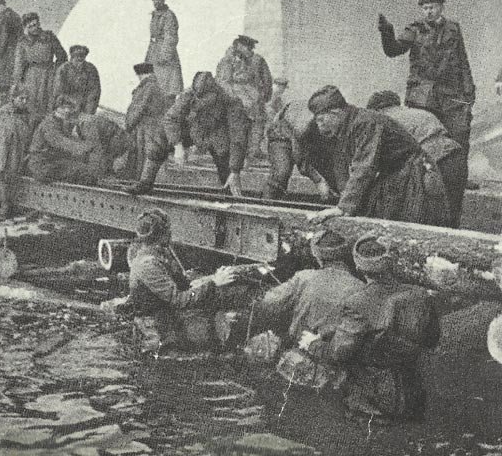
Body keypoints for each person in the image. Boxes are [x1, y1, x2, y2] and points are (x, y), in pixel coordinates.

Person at [322, 235, 440, 424]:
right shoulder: (421, 295)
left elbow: (339, 353)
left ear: (358, 266)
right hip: (413, 394)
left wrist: (314, 344)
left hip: (374, 402)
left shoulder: (357, 302)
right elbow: (432, 339)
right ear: (390, 263)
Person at [306, 85, 449, 226]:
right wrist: (344, 203)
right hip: (394, 173)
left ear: (335, 113)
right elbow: (343, 165)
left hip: (412, 172)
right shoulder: (347, 127)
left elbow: (364, 167)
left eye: (321, 120)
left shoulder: (366, 123)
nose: (320, 127)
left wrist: (343, 207)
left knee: (409, 219)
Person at [255, 230, 363, 388]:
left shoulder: (304, 278)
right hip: (335, 374)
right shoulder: (360, 288)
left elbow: (268, 303)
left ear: (318, 256)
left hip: (296, 362)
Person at [125, 208, 238, 354]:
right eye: (168, 230)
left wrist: (210, 278)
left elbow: (184, 285)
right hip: (157, 333)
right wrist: (213, 283)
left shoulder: (156, 255)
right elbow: (178, 299)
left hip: (165, 320)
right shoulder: (147, 265)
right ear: (163, 235)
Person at [378, 0, 474, 152]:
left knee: (459, 138)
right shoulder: (414, 29)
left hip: (451, 95)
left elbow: (462, 61)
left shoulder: (453, 29)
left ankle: (456, 177)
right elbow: (393, 50)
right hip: (422, 97)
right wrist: (386, 31)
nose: (429, 11)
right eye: (425, 8)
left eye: (432, 7)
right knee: (421, 142)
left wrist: (469, 91)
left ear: (441, 7)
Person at [128, 71, 249, 197]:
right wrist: (177, 145)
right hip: (194, 129)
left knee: (226, 162)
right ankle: (145, 182)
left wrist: (235, 170)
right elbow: (171, 119)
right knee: (160, 136)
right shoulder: (189, 94)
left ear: (215, 93)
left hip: (217, 134)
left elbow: (238, 137)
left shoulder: (231, 101)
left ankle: (230, 188)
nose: (200, 101)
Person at [367, 90, 467, 228]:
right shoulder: (419, 113)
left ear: (376, 109)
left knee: (429, 213)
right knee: (452, 210)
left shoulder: (384, 120)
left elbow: (376, 159)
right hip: (456, 154)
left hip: (433, 159)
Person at [262, 100, 334, 201]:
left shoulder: (335, 123)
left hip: (302, 135)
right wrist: (318, 181)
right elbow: (299, 158)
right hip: (281, 135)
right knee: (282, 171)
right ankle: (267, 203)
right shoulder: (303, 126)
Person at [215, 35, 273, 160]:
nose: (249, 50)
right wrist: (234, 97)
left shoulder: (257, 60)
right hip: (234, 99)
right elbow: (222, 82)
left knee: (258, 122)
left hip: (254, 98)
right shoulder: (227, 60)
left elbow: (267, 81)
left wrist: (263, 96)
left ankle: (253, 150)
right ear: (238, 46)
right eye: (247, 47)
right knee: (236, 125)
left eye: (250, 48)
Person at [0, 85, 33, 218]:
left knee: (13, 175)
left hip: (18, 148)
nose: (24, 102)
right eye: (21, 98)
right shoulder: (3, 111)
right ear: (13, 98)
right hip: (3, 148)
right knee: (2, 174)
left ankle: (10, 205)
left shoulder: (26, 114)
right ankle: (5, 206)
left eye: (26, 99)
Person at [27, 95, 97, 184]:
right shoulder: (49, 124)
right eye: (63, 108)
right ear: (56, 108)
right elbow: (61, 142)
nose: (67, 111)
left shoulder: (60, 123)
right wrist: (83, 147)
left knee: (83, 169)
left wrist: (86, 144)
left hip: (51, 163)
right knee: (82, 171)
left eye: (70, 108)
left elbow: (70, 140)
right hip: (41, 165)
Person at [13, 12, 68, 121]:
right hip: (31, 77)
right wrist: (17, 82)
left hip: (49, 75)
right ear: (26, 28)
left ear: (39, 23)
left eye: (35, 24)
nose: (34, 28)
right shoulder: (22, 42)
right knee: (31, 104)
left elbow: (62, 56)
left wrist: (55, 71)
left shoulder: (49, 37)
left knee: (49, 104)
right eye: (30, 26)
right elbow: (19, 64)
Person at [125, 62, 172, 180]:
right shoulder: (154, 86)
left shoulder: (149, 87)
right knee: (144, 155)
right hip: (149, 126)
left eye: (139, 76)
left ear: (143, 74)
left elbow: (140, 107)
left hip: (146, 127)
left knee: (142, 156)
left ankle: (139, 181)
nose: (139, 78)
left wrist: (130, 124)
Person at [146, 0, 183, 96]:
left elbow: (171, 37)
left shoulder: (169, 16)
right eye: (154, 1)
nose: (157, 3)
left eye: (159, 0)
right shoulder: (155, 15)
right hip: (154, 53)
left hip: (165, 55)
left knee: (167, 86)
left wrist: (165, 56)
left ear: (163, 0)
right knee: (151, 84)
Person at [75, 112, 131, 179]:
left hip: (118, 141)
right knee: (105, 163)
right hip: (119, 139)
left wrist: (92, 173)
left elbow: (96, 149)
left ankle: (102, 177)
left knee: (103, 164)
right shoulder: (86, 120)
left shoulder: (86, 125)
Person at [53, 45, 101, 114]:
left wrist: (89, 111)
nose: (80, 62)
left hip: (84, 105)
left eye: (82, 58)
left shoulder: (91, 69)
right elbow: (58, 91)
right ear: (72, 57)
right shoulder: (64, 69)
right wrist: (71, 103)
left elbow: (94, 91)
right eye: (77, 58)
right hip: (66, 104)